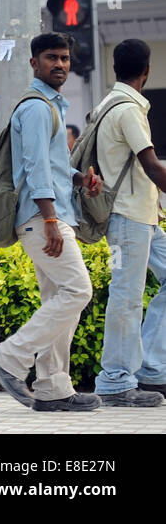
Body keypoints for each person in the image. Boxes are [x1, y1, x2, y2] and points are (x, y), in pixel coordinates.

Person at [0, 33, 103, 412]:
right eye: (52, 58)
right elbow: (34, 167)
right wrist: (50, 218)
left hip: (50, 215)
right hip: (42, 218)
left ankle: (53, 386)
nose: (60, 64)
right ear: (34, 63)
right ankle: (9, 358)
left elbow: (49, 164)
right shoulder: (36, 107)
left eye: (65, 58)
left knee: (58, 298)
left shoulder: (51, 106)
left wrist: (78, 178)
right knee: (77, 291)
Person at [94, 40, 166, 406]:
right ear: (147, 70)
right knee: (126, 297)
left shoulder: (108, 103)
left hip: (144, 217)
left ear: (115, 67)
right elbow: (152, 166)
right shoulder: (127, 110)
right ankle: (116, 380)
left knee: (129, 294)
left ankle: (151, 370)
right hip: (128, 218)